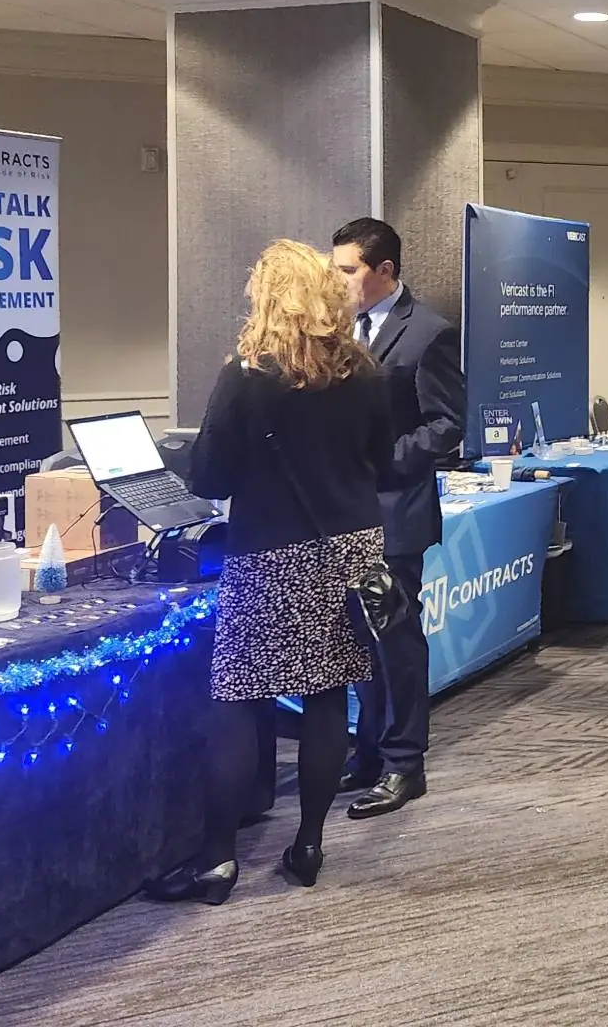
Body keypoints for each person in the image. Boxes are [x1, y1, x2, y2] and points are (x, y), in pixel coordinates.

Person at [143, 240, 391, 906]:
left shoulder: (248, 374)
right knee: (327, 696)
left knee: (237, 698)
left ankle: (217, 861)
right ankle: (308, 845)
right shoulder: (364, 370)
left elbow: (210, 477)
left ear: (268, 301)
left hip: (270, 554)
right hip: (349, 550)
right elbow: (384, 462)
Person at [331, 218, 465, 819]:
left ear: (384, 270)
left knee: (397, 642)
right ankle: (368, 752)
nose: (337, 282)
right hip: (346, 514)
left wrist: (381, 462)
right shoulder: (338, 328)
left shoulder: (429, 332)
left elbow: (447, 425)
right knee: (359, 642)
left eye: (348, 271)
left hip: (396, 513)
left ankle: (405, 764)